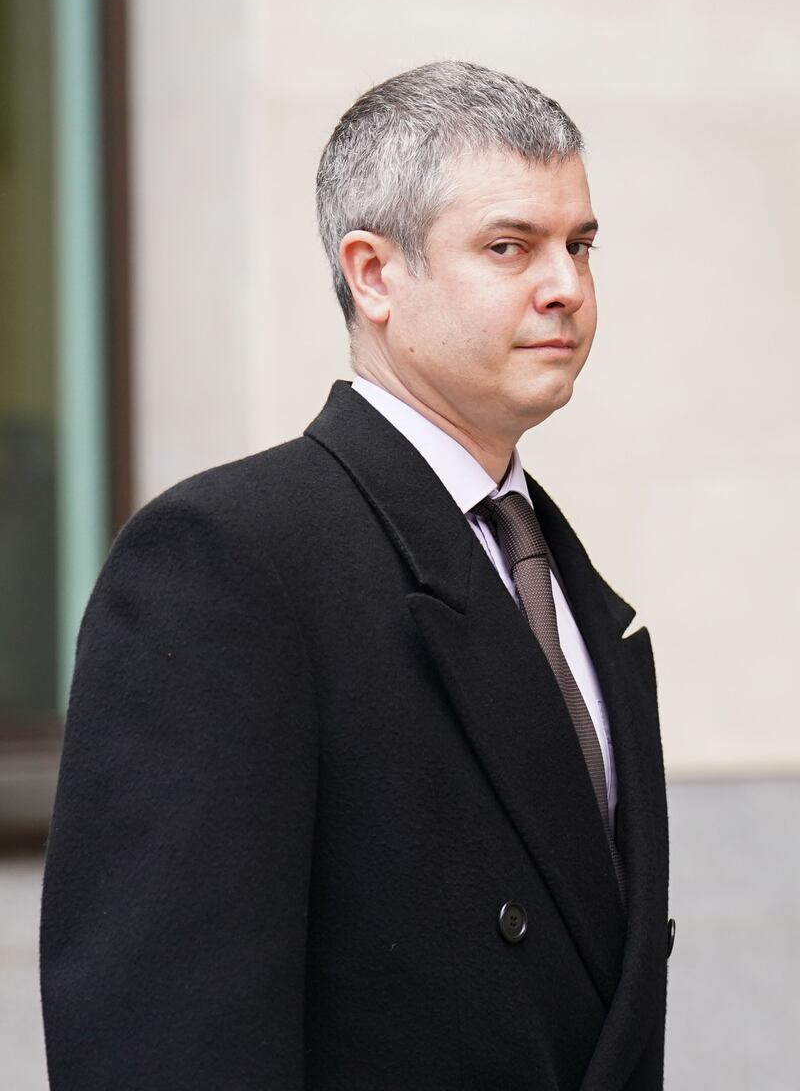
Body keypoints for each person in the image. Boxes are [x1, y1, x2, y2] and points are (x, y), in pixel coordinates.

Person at [40, 61, 672, 1090]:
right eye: (509, 246)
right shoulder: (225, 559)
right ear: (373, 274)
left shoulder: (573, 590)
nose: (564, 284)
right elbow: (161, 1038)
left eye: (579, 244)